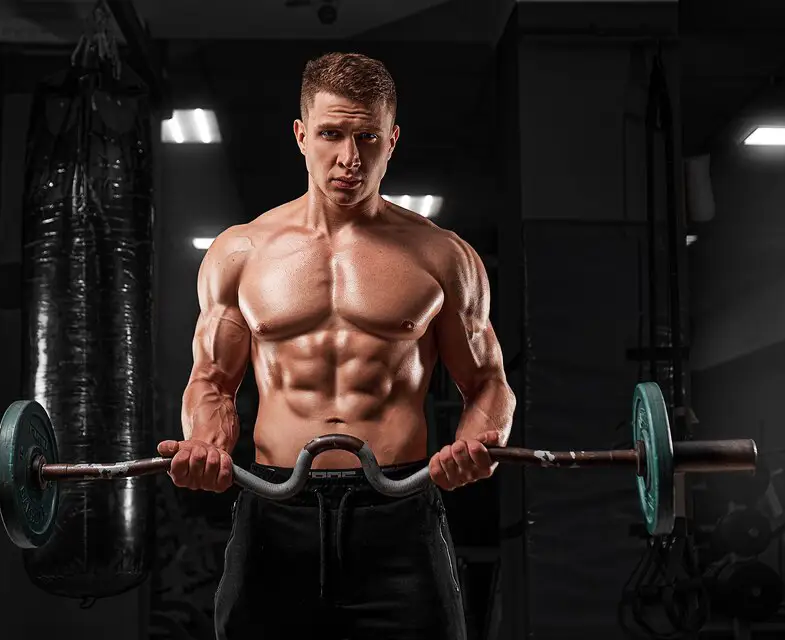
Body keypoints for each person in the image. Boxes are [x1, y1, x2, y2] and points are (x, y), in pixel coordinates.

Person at [157, 52, 516, 639]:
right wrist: (207, 445)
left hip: (398, 509)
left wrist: (478, 443)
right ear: (301, 135)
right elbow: (212, 381)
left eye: (367, 136)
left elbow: (488, 385)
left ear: (392, 140)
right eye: (331, 133)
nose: (349, 158)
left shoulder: (443, 256)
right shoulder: (241, 252)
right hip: (275, 508)